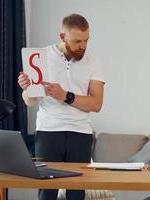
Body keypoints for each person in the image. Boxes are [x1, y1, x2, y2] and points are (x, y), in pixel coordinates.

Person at [17, 13, 105, 200]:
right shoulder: (40, 57)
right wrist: (27, 89)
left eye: (86, 40)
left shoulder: (93, 60)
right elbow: (30, 101)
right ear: (62, 37)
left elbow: (96, 104)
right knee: (47, 192)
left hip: (80, 133)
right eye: (77, 41)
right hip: (48, 131)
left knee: (76, 192)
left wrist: (66, 96)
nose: (83, 46)